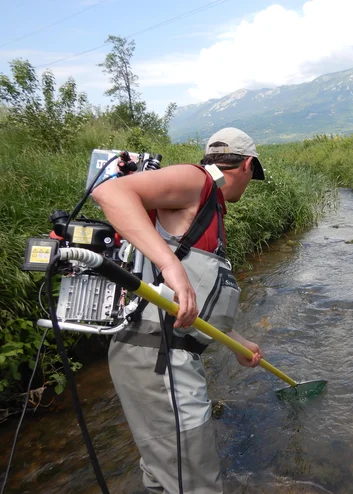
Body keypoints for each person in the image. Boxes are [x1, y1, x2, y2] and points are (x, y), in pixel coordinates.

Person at [92, 127, 266, 493]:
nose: (249, 184)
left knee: (165, 478)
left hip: (157, 353)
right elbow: (109, 192)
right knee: (195, 483)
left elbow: (189, 304)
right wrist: (171, 265)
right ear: (248, 165)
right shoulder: (196, 180)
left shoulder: (207, 206)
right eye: (253, 176)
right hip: (159, 358)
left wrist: (236, 341)